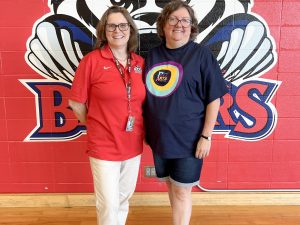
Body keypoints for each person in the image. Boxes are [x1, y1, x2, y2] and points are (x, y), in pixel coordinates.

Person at [143, 1, 228, 225]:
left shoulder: (201, 55)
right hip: (159, 138)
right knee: (171, 185)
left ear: (192, 27)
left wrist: (206, 136)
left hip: (189, 140)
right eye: (172, 19)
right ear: (162, 26)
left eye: (185, 20)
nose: (179, 25)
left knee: (182, 191)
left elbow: (214, 98)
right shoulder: (152, 56)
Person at [69, 5, 145, 225]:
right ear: (104, 31)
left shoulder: (139, 63)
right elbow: (76, 102)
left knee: (123, 199)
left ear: (130, 29)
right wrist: (94, 123)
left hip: (132, 143)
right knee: (108, 204)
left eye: (122, 25)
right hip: (103, 144)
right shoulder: (91, 61)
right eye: (111, 26)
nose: (117, 30)